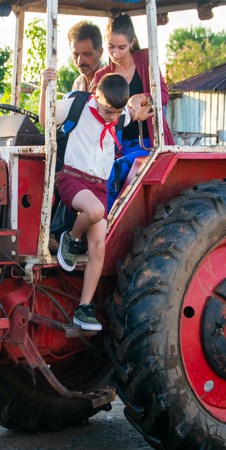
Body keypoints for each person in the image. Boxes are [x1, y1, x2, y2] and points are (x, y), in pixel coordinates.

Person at [39, 68, 153, 331]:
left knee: (99, 246)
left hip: (99, 185)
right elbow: (47, 120)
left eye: (117, 112)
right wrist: (47, 87)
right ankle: (70, 238)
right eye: (107, 112)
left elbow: (142, 105)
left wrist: (142, 99)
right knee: (95, 211)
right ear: (96, 96)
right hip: (73, 178)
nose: (112, 118)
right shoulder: (77, 106)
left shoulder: (118, 114)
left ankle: (83, 308)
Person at [93, 14, 174, 207]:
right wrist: (130, 114)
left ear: (132, 43)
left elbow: (163, 95)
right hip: (116, 147)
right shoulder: (102, 76)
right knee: (104, 178)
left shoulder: (146, 59)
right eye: (111, 47)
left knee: (118, 176)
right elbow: (99, 116)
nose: (116, 53)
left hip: (149, 144)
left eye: (121, 47)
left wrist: (141, 99)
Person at [68, 21, 105, 93]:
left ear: (100, 52)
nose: (80, 61)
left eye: (87, 54)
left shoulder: (110, 82)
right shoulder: (78, 83)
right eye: (75, 55)